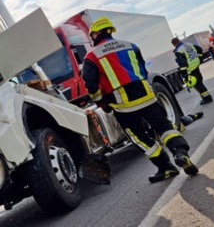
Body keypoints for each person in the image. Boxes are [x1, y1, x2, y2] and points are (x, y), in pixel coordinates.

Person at [81, 17, 199, 183]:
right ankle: (180, 152)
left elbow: (91, 85)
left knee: (139, 138)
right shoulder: (130, 45)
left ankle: (166, 168)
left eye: (92, 35)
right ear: (110, 30)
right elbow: (142, 69)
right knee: (164, 126)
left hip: (123, 106)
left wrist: (102, 103)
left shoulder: (91, 56)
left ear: (96, 33)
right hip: (147, 96)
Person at [172, 37, 213, 105]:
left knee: (198, 85)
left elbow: (183, 63)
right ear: (179, 40)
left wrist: (184, 74)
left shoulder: (179, 50)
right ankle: (205, 97)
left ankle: (207, 98)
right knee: (200, 82)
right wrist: (199, 58)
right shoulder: (189, 44)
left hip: (190, 69)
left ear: (174, 44)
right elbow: (199, 49)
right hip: (196, 65)